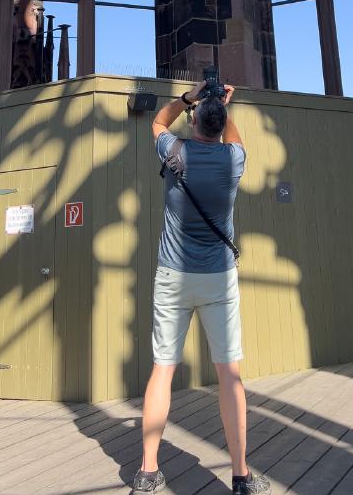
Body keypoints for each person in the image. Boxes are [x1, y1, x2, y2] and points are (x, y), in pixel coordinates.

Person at [132, 82, 271, 495]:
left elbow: (158, 122)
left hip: (173, 275)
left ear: (194, 122)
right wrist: (223, 107)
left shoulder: (175, 151)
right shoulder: (233, 160)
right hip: (218, 278)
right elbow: (235, 138)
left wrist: (188, 99)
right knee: (229, 375)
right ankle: (241, 475)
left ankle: (147, 472)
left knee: (162, 370)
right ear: (222, 124)